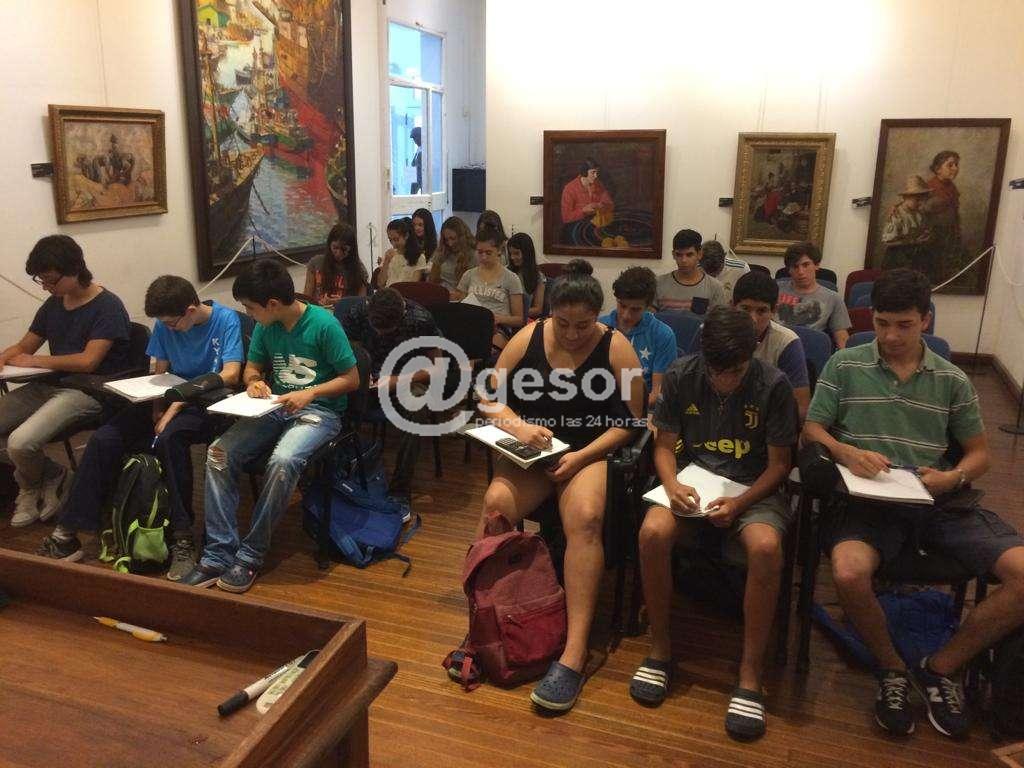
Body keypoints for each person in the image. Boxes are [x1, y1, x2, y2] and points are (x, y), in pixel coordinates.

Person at [802, 268, 1024, 740]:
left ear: (926, 320)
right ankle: (892, 668)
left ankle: (939, 667)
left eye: (904, 325)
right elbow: (814, 428)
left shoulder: (951, 378)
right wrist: (845, 451)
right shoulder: (845, 365)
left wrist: (953, 476)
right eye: (882, 323)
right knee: (848, 572)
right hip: (868, 499)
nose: (890, 336)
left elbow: (980, 454)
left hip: (935, 497)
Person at [472, 260, 645, 713]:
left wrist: (582, 457)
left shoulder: (616, 347)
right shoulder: (528, 336)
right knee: (496, 503)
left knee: (585, 518)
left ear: (598, 317)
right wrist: (519, 426)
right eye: (562, 323)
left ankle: (575, 650)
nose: (571, 334)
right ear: (550, 314)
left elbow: (631, 422)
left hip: (587, 451)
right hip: (537, 449)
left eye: (582, 325)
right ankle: (490, 619)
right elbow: (487, 397)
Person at [635, 305, 798, 740]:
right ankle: (660, 647)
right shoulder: (682, 374)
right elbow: (664, 446)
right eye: (716, 371)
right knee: (652, 532)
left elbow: (780, 466)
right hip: (693, 480)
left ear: (752, 353)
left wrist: (740, 503)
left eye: (735, 371)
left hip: (752, 487)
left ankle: (750, 672)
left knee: (766, 547)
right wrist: (671, 484)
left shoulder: (773, 385)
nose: (724, 380)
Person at [36, 277, 243, 578]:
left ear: (190, 310)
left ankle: (183, 537)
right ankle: (67, 532)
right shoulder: (165, 325)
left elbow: (231, 373)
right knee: (105, 438)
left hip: (206, 402)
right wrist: (157, 407)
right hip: (168, 398)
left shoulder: (226, 321)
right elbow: (160, 371)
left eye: (172, 323)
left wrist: (176, 404)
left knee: (170, 438)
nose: (168, 328)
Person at [179, 259, 359, 593]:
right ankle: (218, 553)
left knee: (283, 461)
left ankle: (251, 553)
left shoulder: (324, 325)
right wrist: (253, 382)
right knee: (218, 453)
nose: (248, 314)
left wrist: (311, 392)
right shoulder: (266, 326)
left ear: (272, 304)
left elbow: (351, 379)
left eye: (250, 307)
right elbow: (252, 369)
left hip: (320, 411)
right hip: (276, 406)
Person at [0, 235, 130, 527]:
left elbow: (88, 362)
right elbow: (24, 346)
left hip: (89, 391)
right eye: (41, 280)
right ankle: (50, 476)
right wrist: (5, 357)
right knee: (13, 438)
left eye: (50, 280)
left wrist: (36, 361)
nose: (46, 286)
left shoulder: (107, 306)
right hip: (50, 385)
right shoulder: (53, 304)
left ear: (74, 270)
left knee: (20, 442)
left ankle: (33, 486)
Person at [342, 288, 439, 504]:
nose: (379, 334)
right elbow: (349, 353)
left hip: (404, 380)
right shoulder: (358, 312)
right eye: (376, 329)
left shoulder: (420, 319)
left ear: (401, 316)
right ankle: (340, 471)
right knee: (331, 396)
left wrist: (397, 380)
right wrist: (360, 372)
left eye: (386, 331)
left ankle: (400, 488)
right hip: (365, 380)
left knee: (417, 406)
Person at [731, 271, 811, 421]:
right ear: (732, 306)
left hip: (767, 423)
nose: (753, 319)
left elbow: (800, 409)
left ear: (774, 310)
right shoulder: (709, 333)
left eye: (761, 311)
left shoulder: (787, 342)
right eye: (745, 309)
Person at [599, 266, 676, 407]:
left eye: (635, 309)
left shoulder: (663, 335)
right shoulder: (599, 328)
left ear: (648, 306)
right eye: (622, 306)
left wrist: (625, 412)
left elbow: (657, 394)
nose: (626, 315)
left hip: (643, 407)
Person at [451, 225, 525, 351]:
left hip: (498, 328)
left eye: (488, 253)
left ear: (499, 250)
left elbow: (519, 319)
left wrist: (498, 318)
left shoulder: (511, 278)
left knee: (479, 348)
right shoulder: (469, 275)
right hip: (471, 325)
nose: (484, 257)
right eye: (480, 252)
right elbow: (460, 306)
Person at [776, 242, 850, 349]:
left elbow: (842, 340)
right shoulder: (775, 289)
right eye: (795, 267)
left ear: (816, 265)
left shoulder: (833, 298)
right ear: (789, 270)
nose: (801, 272)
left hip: (809, 351)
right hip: (775, 348)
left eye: (806, 265)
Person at [655, 229, 727, 313]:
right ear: (673, 255)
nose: (684, 260)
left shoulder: (715, 288)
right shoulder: (658, 284)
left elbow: (719, 320)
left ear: (699, 254)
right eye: (679, 255)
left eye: (689, 255)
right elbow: (649, 318)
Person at [304, 222, 369, 307]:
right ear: (329, 245)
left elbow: (362, 304)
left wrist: (343, 302)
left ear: (352, 249)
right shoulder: (316, 263)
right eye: (335, 248)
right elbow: (306, 298)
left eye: (344, 249)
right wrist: (318, 304)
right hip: (318, 311)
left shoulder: (359, 270)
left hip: (344, 313)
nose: (338, 253)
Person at [922, 150, 963, 283]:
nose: (955, 168)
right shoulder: (929, 187)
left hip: (950, 234)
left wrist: (956, 231)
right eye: (950, 165)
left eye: (956, 165)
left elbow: (954, 212)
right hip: (933, 238)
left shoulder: (951, 187)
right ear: (937, 169)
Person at [560, 157, 614, 228]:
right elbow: (566, 217)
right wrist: (583, 210)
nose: (596, 176)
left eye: (597, 172)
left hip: (596, 224)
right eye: (593, 172)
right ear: (584, 172)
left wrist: (601, 206)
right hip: (576, 226)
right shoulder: (569, 189)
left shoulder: (598, 185)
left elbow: (610, 204)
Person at [428, 216, 476, 290]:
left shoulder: (473, 254)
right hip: (441, 291)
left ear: (461, 237)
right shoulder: (443, 250)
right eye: (446, 240)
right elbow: (432, 279)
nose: (450, 244)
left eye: (453, 238)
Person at [378, 218, 427, 288]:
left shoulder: (419, 257)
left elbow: (412, 285)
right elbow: (380, 283)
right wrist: (386, 261)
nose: (393, 243)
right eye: (390, 240)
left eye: (396, 239)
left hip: (405, 293)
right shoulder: (389, 255)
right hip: (388, 292)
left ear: (406, 236)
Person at [507, 232, 546, 319]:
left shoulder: (538, 277)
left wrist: (516, 313)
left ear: (527, 253)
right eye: (510, 254)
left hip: (522, 319)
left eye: (516, 253)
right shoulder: (505, 272)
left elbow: (538, 309)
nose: (512, 257)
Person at [409, 127, 422, 194]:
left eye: (415, 138)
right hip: (415, 178)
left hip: (422, 180)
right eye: (413, 139)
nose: (414, 141)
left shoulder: (425, 149)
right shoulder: (419, 149)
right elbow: (413, 163)